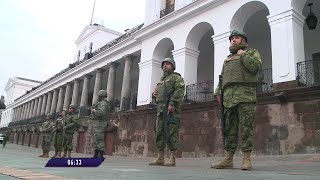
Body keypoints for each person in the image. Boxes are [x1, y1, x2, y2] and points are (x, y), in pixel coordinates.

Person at [212, 30, 262, 170]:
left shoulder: (251, 52)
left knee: (246, 128)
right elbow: (222, 77)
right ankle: (228, 158)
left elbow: (255, 68)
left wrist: (243, 55)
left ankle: (247, 158)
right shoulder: (227, 59)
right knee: (229, 129)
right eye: (232, 38)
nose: (233, 40)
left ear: (243, 40)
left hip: (245, 95)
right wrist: (218, 91)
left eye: (237, 37)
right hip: (228, 97)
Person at [149, 57, 185, 167]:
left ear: (172, 66)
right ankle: (160, 157)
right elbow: (158, 96)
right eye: (164, 64)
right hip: (160, 110)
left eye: (168, 64)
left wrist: (173, 104)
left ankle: (172, 158)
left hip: (171, 110)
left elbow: (179, 91)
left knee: (171, 133)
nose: (165, 65)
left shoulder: (176, 78)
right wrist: (153, 95)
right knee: (159, 132)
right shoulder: (160, 81)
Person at [91, 90, 110, 158]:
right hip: (98, 123)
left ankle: (100, 155)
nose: (98, 97)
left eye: (99, 96)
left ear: (101, 96)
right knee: (97, 139)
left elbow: (102, 113)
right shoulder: (101, 103)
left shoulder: (103, 103)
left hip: (100, 123)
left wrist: (94, 111)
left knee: (99, 139)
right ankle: (96, 154)